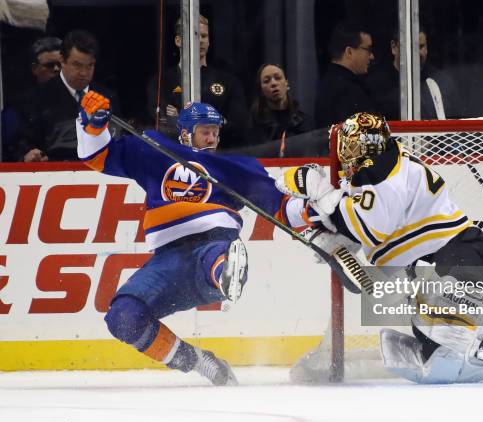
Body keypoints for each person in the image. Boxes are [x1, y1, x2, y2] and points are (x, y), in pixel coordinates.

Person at [275, 112, 483, 384]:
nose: (347, 155)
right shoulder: (376, 172)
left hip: (459, 251)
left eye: (353, 147)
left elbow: (368, 227)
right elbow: (361, 230)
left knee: (447, 335)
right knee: (436, 350)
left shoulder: (383, 170)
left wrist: (321, 194)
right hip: (439, 257)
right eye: (346, 146)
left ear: (371, 146)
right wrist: (327, 231)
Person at [76, 92, 314, 385]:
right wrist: (93, 126)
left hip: (212, 242)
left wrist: (316, 211)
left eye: (215, 132)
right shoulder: (155, 152)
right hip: (168, 262)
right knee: (122, 317)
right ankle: (199, 362)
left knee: (214, 256)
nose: (212, 138)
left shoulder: (233, 169)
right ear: (186, 134)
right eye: (205, 132)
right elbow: (96, 157)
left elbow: (282, 208)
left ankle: (226, 273)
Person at [17, 29, 119, 162]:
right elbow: (23, 146)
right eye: (77, 65)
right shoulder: (37, 99)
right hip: (52, 175)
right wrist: (28, 156)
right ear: (62, 61)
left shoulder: (108, 98)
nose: (83, 73)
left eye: (90, 66)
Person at [148, 15, 249, 148]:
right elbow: (159, 122)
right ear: (178, 41)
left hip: (220, 156)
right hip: (175, 157)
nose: (200, 40)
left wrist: (187, 120)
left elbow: (239, 125)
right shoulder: (161, 82)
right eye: (195, 36)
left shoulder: (228, 82)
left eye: (204, 36)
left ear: (209, 41)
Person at [366, 29, 457, 120]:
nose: (417, 53)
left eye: (421, 46)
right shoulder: (375, 84)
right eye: (410, 47)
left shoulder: (441, 81)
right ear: (394, 47)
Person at [314, 21, 377, 128]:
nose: (372, 56)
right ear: (349, 52)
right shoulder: (348, 90)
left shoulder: (329, 83)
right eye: (368, 49)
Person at [248, 63, 314, 151]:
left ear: (286, 83)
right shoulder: (254, 125)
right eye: (267, 81)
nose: (274, 83)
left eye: (278, 78)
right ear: (261, 91)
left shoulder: (304, 121)